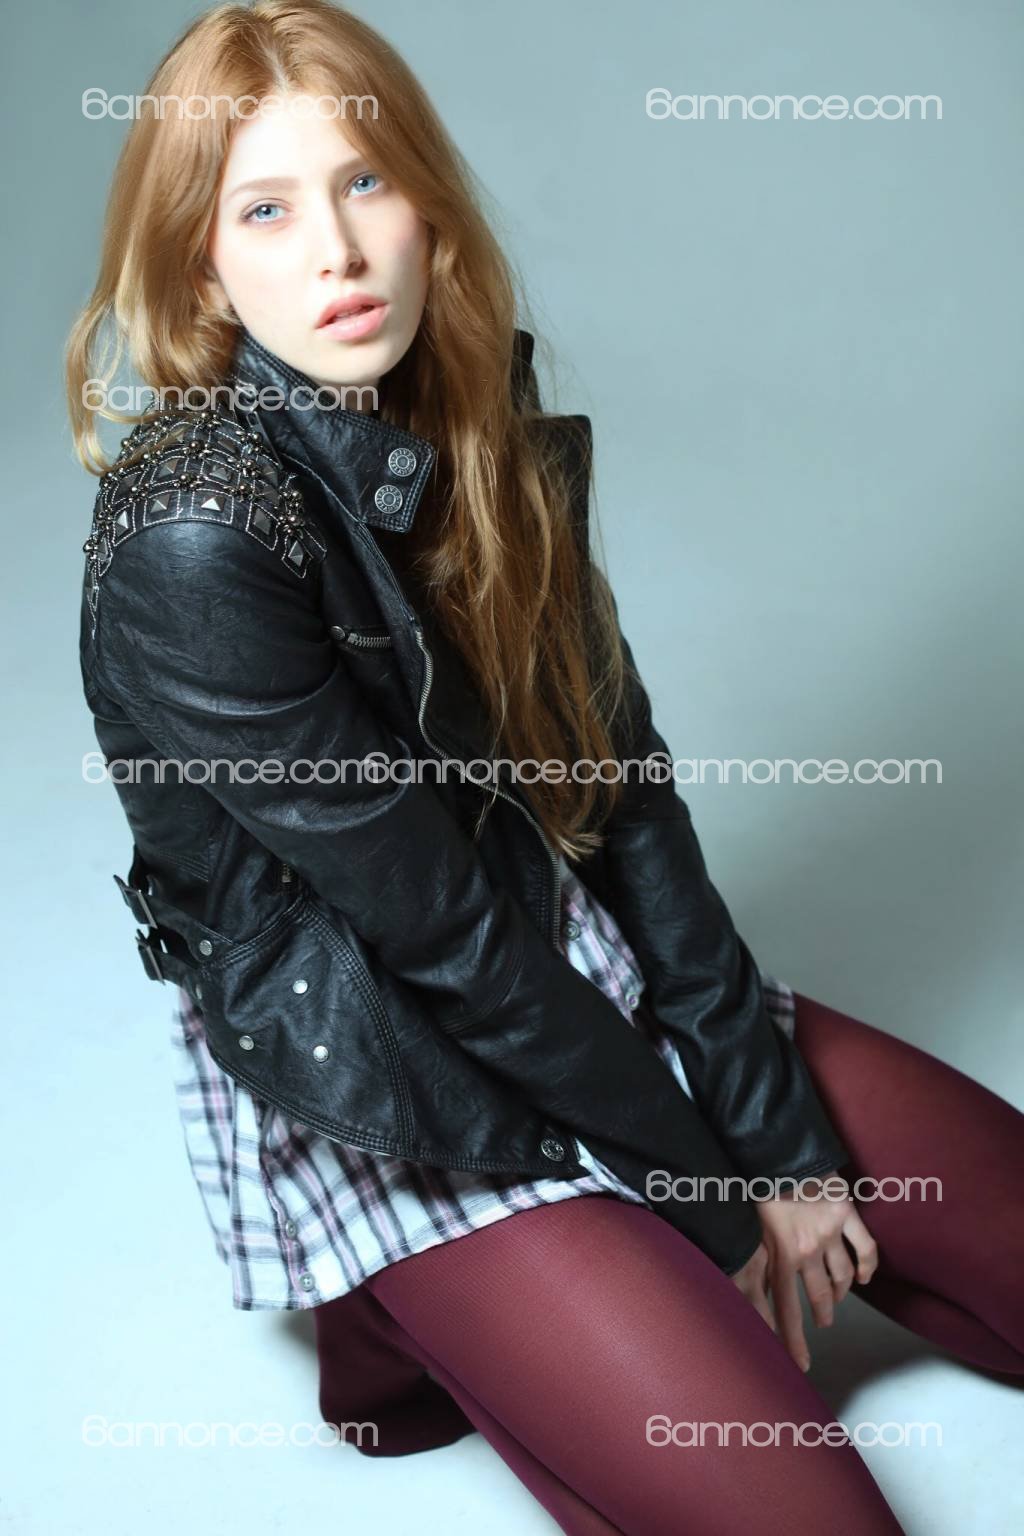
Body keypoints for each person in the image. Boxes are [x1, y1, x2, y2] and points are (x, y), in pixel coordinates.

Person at [68, 4, 1024, 1532]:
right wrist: (717, 1209)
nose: (339, 250)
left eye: (365, 182)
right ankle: (400, 1307)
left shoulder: (469, 407)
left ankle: (452, 1326)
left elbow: (620, 780)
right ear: (202, 269)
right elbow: (439, 941)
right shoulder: (194, 536)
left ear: (427, 204)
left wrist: (775, 1139)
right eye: (268, 210)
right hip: (390, 1057)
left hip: (563, 960)